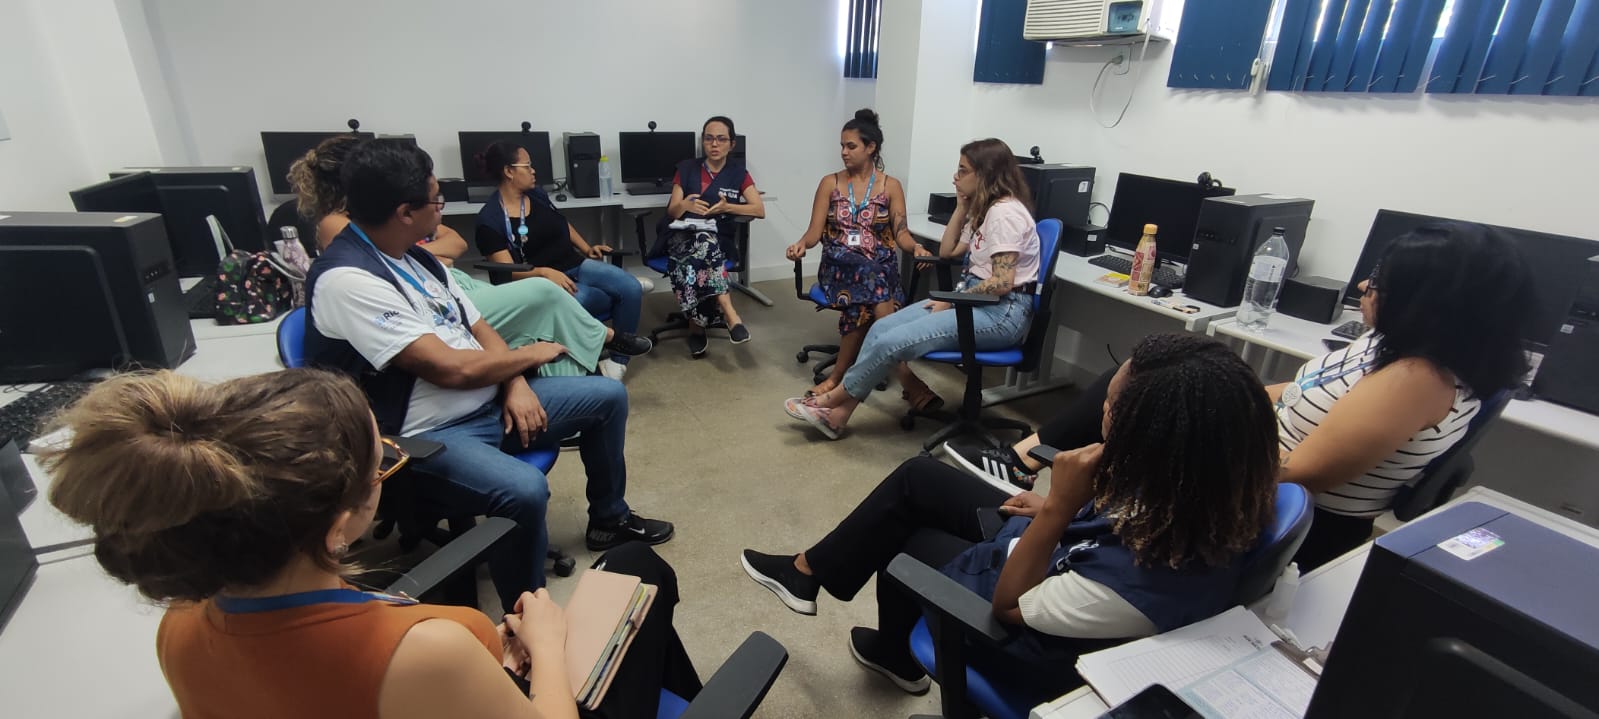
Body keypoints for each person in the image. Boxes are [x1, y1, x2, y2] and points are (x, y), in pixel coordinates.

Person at [39, 369, 703, 719]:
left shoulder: (180, 627)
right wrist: (550, 650)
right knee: (635, 567)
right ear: (338, 523)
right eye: (380, 466)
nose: (386, 470)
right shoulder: (428, 648)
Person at [948, 222, 1536, 570]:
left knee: (1146, 395)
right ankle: (1030, 459)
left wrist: (1189, 434)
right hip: (1248, 462)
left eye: (1381, 283)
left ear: (1432, 303)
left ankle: (1047, 495)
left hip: (1271, 508)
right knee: (1151, 366)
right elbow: (1299, 386)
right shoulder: (1389, 347)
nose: (1363, 286)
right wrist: (1206, 382)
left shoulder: (1418, 380)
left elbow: (1301, 472)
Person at [744, 334, 1279, 697]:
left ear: (1159, 437)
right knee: (918, 477)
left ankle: (896, 652)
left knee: (910, 545)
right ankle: (809, 576)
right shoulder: (1203, 488)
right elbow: (1112, 530)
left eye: (1112, 409)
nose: (1101, 415)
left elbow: (1009, 607)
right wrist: (1055, 508)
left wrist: (1060, 509)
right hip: (1060, 549)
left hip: (1026, 621)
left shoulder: (1134, 585)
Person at [303, 139, 673, 611]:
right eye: (435, 200)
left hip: (488, 399)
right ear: (404, 212)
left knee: (607, 397)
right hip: (424, 435)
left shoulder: (413, 257)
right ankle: (526, 617)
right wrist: (532, 356)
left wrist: (514, 383)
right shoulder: (349, 280)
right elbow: (450, 367)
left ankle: (609, 518)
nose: (442, 209)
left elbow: (477, 329)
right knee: (524, 489)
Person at [288, 136, 649, 380]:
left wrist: (586, 250)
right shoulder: (345, 229)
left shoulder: (535, 197)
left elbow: (454, 244)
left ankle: (603, 353)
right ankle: (603, 338)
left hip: (450, 281)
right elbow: (425, 253)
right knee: (547, 294)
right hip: (438, 296)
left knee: (619, 288)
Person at [784, 138, 1040, 439]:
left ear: (986, 174)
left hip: (1000, 314)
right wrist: (961, 208)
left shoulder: (1005, 214)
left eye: (963, 170)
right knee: (882, 330)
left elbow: (1001, 283)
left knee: (895, 340)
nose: (955, 177)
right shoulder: (985, 210)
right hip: (976, 301)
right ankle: (837, 417)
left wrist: (956, 301)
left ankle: (833, 399)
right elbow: (947, 252)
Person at [785, 109, 933, 400]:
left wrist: (914, 246)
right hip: (840, 266)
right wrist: (800, 244)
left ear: (871, 147)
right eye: (841, 145)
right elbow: (814, 233)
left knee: (864, 301)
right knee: (875, 283)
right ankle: (905, 376)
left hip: (878, 268)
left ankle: (838, 377)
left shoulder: (891, 186)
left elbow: (900, 231)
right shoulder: (831, 183)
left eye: (850, 146)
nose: (843, 152)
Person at [475, 142, 648, 379]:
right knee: (594, 297)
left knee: (630, 288)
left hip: (575, 264)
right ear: (509, 171)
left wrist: (587, 248)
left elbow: (561, 224)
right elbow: (506, 270)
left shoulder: (537, 195)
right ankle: (598, 350)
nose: (533, 170)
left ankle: (617, 361)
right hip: (542, 282)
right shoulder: (490, 220)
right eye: (527, 166)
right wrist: (543, 273)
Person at [661, 115, 766, 357]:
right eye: (709, 139)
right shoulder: (686, 168)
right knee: (702, 245)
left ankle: (696, 326)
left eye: (721, 139)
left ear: (732, 144)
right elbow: (672, 210)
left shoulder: (739, 173)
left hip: (718, 240)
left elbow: (758, 209)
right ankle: (730, 315)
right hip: (681, 238)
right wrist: (685, 204)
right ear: (702, 142)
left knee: (706, 247)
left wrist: (727, 207)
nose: (714, 144)